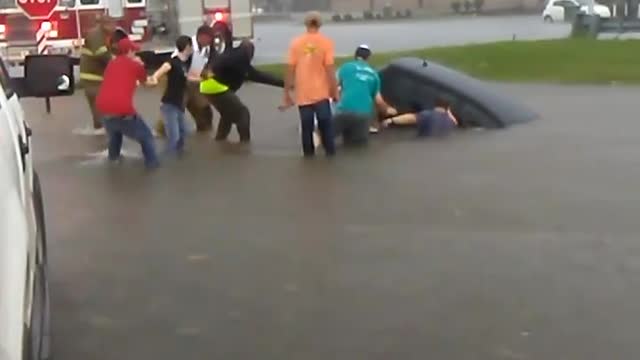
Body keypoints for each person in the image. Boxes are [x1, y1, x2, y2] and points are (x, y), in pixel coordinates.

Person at [200, 39, 283, 142]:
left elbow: (258, 76)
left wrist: (283, 84)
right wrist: (284, 84)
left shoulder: (236, 58)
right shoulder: (240, 57)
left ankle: (220, 141)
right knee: (242, 114)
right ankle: (245, 144)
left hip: (207, 86)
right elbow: (256, 75)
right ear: (249, 51)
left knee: (227, 114)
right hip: (215, 86)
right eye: (252, 53)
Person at [96, 38, 159, 169]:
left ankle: (113, 161)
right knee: (146, 137)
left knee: (115, 133)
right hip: (123, 108)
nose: (135, 54)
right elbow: (147, 83)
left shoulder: (111, 64)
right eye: (134, 52)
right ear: (129, 51)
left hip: (103, 106)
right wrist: (154, 80)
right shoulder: (136, 65)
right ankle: (153, 166)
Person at [282, 11, 339, 157]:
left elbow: (290, 69)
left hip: (303, 94)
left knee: (306, 128)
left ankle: (308, 157)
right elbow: (330, 69)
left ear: (306, 24)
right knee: (326, 125)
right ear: (320, 24)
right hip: (321, 93)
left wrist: (286, 93)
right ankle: (330, 155)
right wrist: (334, 91)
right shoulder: (326, 42)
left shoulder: (295, 43)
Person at [155, 25, 215, 136]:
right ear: (201, 36)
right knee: (174, 108)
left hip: (194, 82)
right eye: (209, 38)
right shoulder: (187, 45)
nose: (211, 41)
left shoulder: (207, 48)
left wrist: (207, 73)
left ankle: (204, 131)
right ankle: (161, 133)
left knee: (203, 108)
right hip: (178, 81)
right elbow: (175, 63)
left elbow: (206, 62)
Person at [333, 44, 396, 146]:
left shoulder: (345, 67)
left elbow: (333, 87)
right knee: (357, 148)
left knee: (324, 136)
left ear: (355, 56)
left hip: (344, 110)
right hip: (363, 115)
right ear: (368, 58)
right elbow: (378, 101)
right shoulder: (374, 74)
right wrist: (388, 109)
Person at [148, 35, 198, 155]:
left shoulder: (184, 64)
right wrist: (154, 78)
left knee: (183, 134)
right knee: (174, 137)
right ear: (187, 47)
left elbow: (188, 78)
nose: (192, 49)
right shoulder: (173, 62)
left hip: (178, 105)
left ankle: (178, 162)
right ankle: (168, 161)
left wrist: (203, 79)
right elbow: (163, 69)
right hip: (169, 105)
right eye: (191, 46)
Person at [78, 14, 117, 135]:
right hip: (92, 77)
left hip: (95, 76)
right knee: (101, 105)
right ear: (105, 24)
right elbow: (102, 53)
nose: (115, 27)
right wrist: (117, 64)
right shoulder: (96, 35)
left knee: (99, 106)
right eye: (113, 24)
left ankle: (100, 131)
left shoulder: (103, 34)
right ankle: (102, 132)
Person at [381, 98, 459, 137]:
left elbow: (410, 118)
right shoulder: (450, 121)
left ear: (436, 104)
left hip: (423, 143)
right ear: (447, 108)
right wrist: (448, 111)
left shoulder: (427, 115)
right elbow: (455, 122)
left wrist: (391, 120)